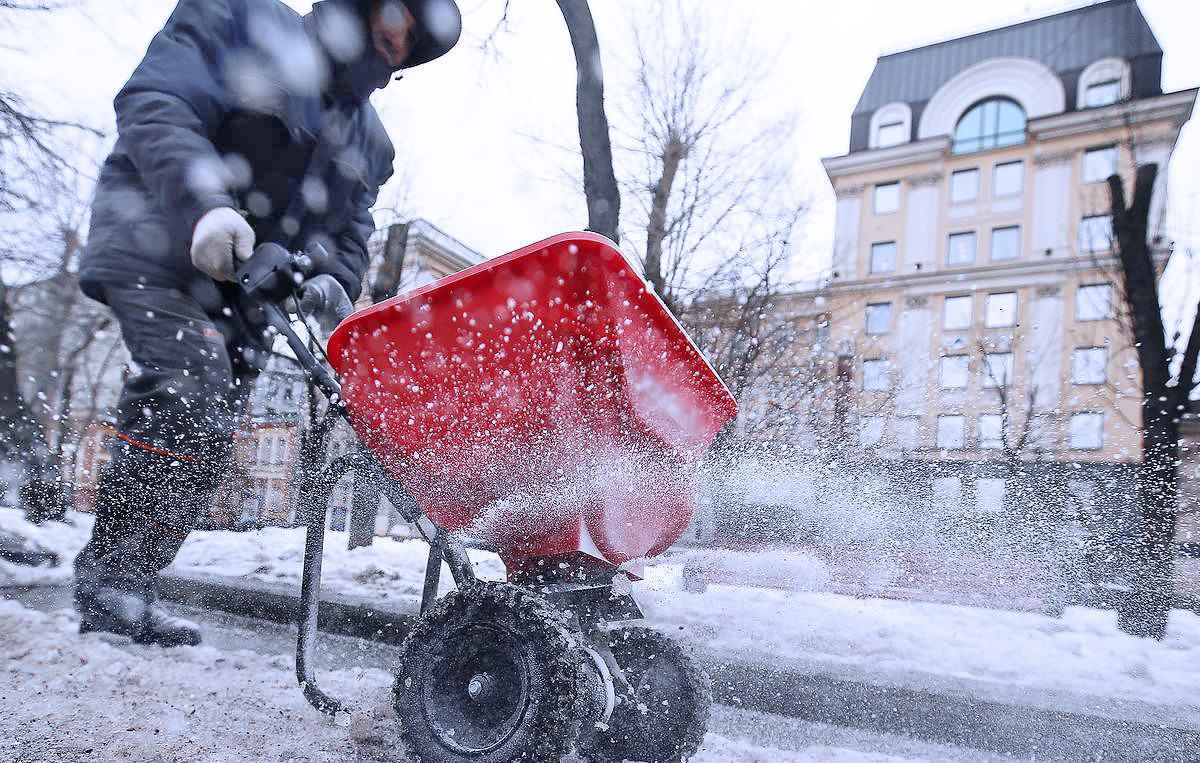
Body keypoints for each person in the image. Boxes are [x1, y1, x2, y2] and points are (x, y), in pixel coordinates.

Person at [73, 0, 461, 646]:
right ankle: (109, 581)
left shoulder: (370, 141)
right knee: (188, 385)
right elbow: (157, 103)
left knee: (214, 430)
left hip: (250, 297)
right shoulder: (238, 19)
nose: (402, 34)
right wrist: (207, 205)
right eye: (398, 12)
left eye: (416, 36)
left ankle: (131, 580)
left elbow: (350, 233)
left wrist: (330, 279)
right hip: (159, 243)